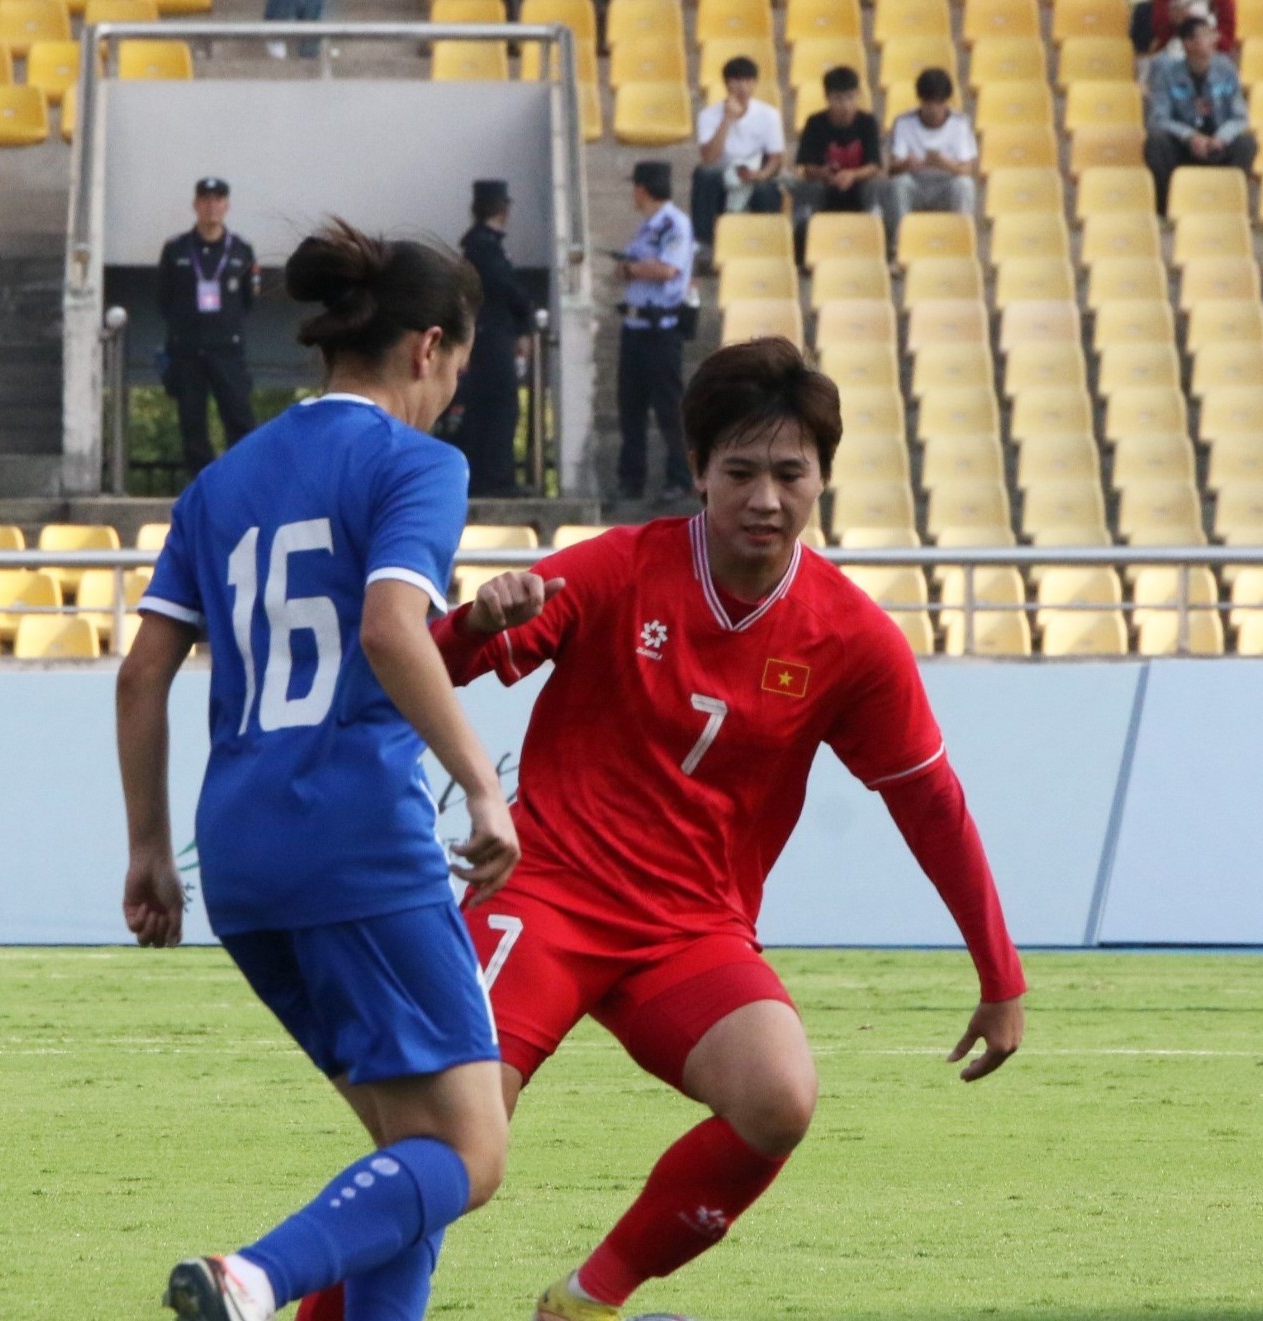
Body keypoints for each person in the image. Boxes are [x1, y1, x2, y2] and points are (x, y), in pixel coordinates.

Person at [293, 336, 1027, 1321]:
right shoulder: (616, 569)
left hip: (691, 930)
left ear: (821, 478)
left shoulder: (850, 638)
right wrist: (473, 623)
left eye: (788, 473)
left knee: (778, 1097)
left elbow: (927, 801)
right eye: (739, 471)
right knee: (448, 1139)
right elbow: (426, 663)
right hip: (543, 893)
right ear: (696, 471)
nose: (764, 497)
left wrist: (998, 973)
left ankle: (586, 1302)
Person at [119, 218, 517, 1321]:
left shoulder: (223, 479)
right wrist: (482, 785)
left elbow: (142, 672)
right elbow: (391, 629)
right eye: (460, 367)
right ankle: (254, 1277)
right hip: (356, 840)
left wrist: (150, 850)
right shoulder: (417, 462)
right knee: (471, 1152)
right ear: (429, 348)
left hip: (239, 856)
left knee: (404, 1158)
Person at [158, 177, 260, 478]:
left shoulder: (241, 250)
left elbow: (247, 301)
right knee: (192, 423)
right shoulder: (176, 249)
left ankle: (243, 481)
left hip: (226, 349)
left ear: (226, 206)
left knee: (239, 417)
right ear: (195, 204)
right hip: (187, 350)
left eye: (217, 200)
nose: (211, 206)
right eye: (205, 199)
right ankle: (200, 486)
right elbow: (164, 299)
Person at [615, 160, 696, 505]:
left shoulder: (674, 224)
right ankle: (631, 480)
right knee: (630, 408)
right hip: (635, 327)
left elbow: (667, 269)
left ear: (642, 189)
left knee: (669, 410)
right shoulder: (648, 226)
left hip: (661, 329)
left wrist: (630, 269)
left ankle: (679, 478)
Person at [451, 179, 537, 498]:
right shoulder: (483, 248)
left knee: (492, 405)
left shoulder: (482, 246)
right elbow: (505, 289)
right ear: (502, 209)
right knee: (500, 404)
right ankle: (495, 477)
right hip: (492, 335)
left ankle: (491, 474)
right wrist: (525, 316)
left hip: (491, 333)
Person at [1144, 16, 1257, 215]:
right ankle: (1166, 208)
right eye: (1205, 35)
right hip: (1183, 145)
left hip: (1217, 143)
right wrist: (1189, 136)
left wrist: (1221, 137)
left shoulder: (1226, 69)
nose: (1214, 39)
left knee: (1246, 143)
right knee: (1156, 142)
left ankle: (1231, 205)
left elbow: (1240, 116)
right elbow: (1158, 119)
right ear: (1188, 43)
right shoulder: (1168, 73)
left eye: (1212, 34)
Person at [790, 67, 892, 256]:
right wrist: (826, 174)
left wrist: (851, 175)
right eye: (838, 99)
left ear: (858, 96)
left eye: (850, 98)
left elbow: (874, 165)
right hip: (826, 184)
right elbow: (808, 167)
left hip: (859, 185)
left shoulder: (867, 122)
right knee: (805, 188)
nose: (845, 105)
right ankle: (802, 249)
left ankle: (879, 244)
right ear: (828, 98)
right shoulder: (814, 123)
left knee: (878, 187)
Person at [690, 56, 786, 253]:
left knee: (766, 189)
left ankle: (766, 246)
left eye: (748, 81)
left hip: (756, 173)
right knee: (704, 174)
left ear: (754, 84)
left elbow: (776, 158)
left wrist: (760, 175)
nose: (742, 87)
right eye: (736, 81)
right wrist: (727, 119)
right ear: (726, 84)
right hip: (723, 176)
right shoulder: (708, 116)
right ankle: (704, 244)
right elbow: (709, 158)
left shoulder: (769, 115)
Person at [886, 68, 978, 229]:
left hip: (946, 184)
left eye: (939, 102)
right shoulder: (903, 122)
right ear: (921, 100)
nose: (934, 109)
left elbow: (967, 169)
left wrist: (944, 163)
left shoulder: (960, 124)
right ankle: (899, 240)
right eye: (929, 102)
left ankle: (962, 236)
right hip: (916, 183)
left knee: (964, 185)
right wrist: (906, 164)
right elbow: (892, 168)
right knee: (899, 184)